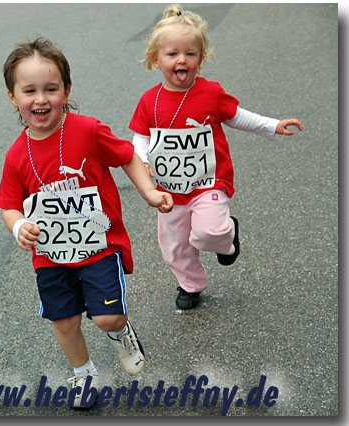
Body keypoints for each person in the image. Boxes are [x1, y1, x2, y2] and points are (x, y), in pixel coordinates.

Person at [0, 37, 173, 407]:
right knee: (65, 322)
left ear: (66, 90)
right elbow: (9, 206)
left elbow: (126, 155)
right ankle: (83, 374)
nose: (40, 99)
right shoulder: (16, 155)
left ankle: (121, 332)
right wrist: (17, 227)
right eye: (29, 91)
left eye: (51, 89)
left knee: (107, 318)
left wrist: (149, 192)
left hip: (98, 246)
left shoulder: (87, 130)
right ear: (13, 97)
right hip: (51, 256)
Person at [129, 4, 304, 310]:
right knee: (176, 246)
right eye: (172, 54)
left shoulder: (210, 93)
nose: (181, 60)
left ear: (201, 58)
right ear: (156, 60)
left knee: (209, 232)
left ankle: (228, 235)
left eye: (190, 53)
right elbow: (141, 138)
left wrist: (273, 126)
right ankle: (190, 285)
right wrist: (142, 160)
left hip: (209, 182)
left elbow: (239, 116)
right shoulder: (150, 101)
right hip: (169, 191)